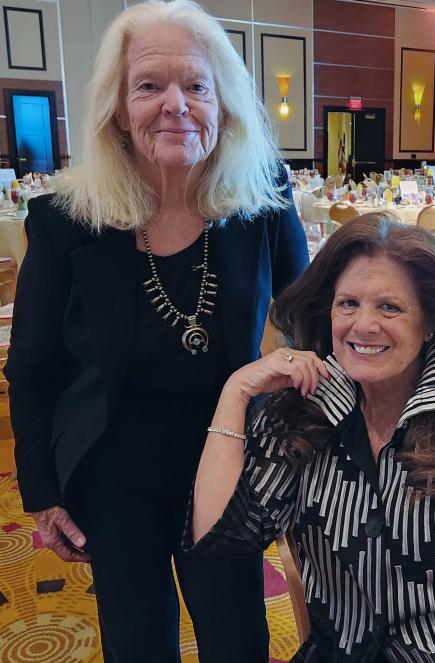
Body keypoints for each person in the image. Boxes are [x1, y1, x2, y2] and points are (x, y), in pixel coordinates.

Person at [5, 1, 308, 661]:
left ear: (222, 102)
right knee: (138, 640)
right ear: (118, 108)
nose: (177, 104)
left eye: (196, 85)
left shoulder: (263, 198)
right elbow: (30, 364)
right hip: (114, 470)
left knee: (237, 639)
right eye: (149, 85)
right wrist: (43, 491)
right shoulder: (65, 220)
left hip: (228, 458)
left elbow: (306, 318)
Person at [189, 215, 435, 662]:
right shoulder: (305, 413)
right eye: (347, 304)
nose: (362, 325)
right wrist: (236, 393)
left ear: (431, 322)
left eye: (389, 307)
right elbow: (222, 540)